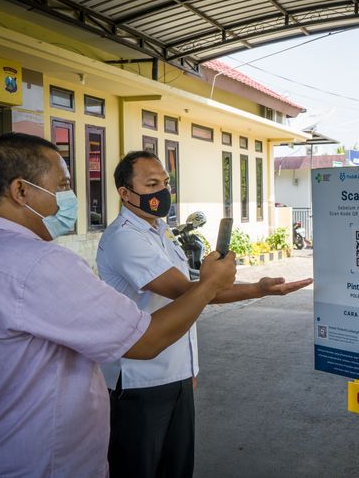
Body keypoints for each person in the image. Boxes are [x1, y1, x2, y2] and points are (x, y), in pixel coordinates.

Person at [0, 133, 236, 476]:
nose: (70, 198)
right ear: (21, 191)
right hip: (45, 465)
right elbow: (145, 340)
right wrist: (209, 285)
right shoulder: (39, 264)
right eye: (62, 185)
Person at [97, 151, 312, 478]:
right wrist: (257, 289)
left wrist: (187, 368)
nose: (163, 192)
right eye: (151, 184)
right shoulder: (125, 237)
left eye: (166, 183)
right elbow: (188, 292)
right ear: (125, 193)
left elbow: (196, 289)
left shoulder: (159, 230)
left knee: (177, 468)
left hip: (174, 374)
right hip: (140, 382)